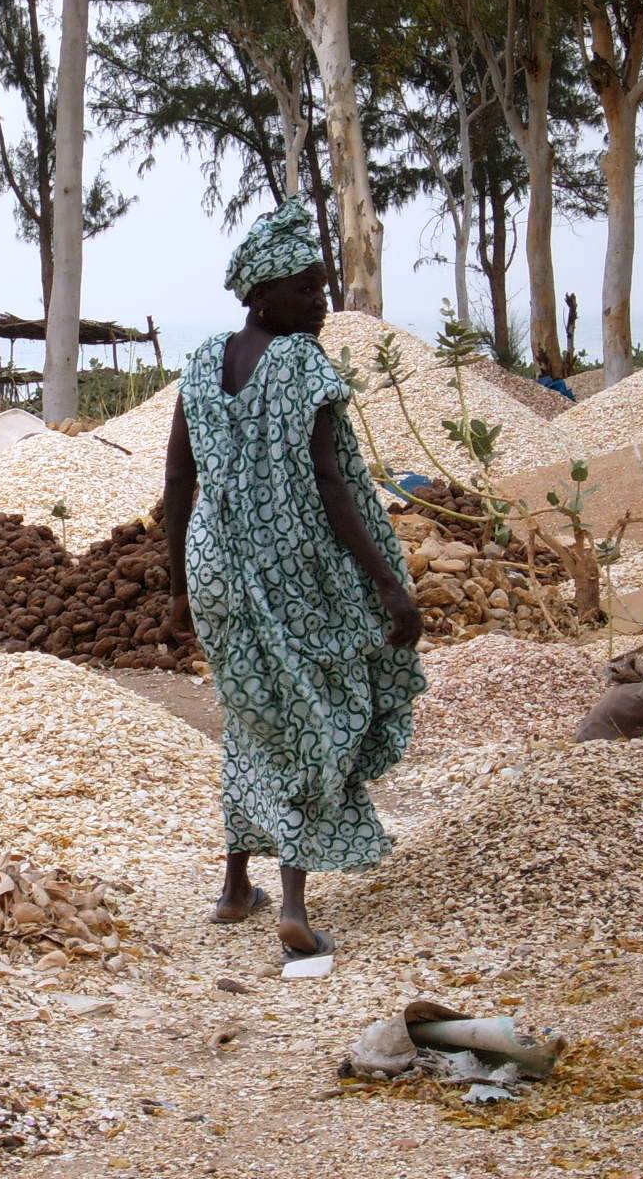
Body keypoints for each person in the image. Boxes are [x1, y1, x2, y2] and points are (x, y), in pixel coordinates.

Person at [162, 195, 426, 961]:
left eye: (322, 286)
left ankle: (235, 886)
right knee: (320, 720)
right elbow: (331, 485)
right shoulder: (301, 363)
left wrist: (179, 583)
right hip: (292, 570)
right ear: (263, 292)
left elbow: (178, 479)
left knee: (253, 717)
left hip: (216, 565)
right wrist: (385, 582)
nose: (322, 302)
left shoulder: (203, 360)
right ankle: (297, 907)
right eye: (307, 288)